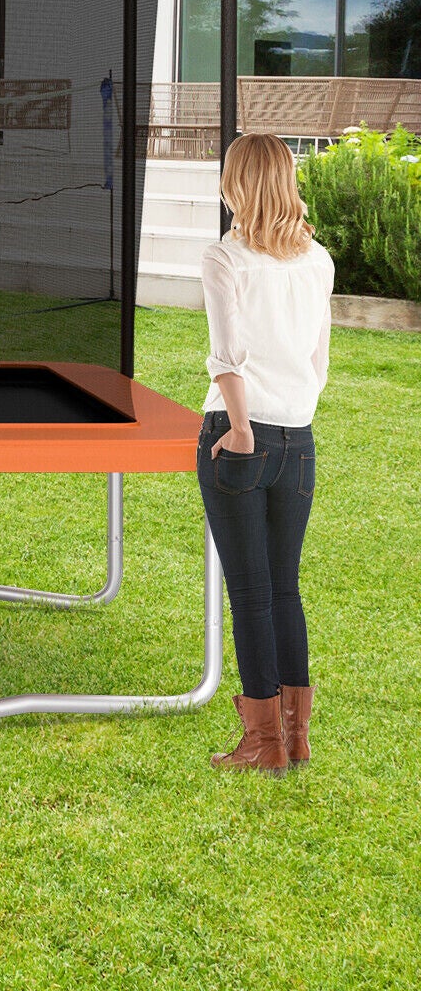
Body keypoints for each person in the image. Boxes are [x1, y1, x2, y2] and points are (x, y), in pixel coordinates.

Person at [197, 131, 334, 774]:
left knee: (251, 592)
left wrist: (244, 431)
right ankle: (294, 738)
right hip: (300, 437)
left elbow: (228, 359)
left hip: (239, 432)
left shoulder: (225, 258)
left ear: (238, 183)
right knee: (285, 590)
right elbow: (318, 362)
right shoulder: (318, 260)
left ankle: (262, 744)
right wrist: (290, 421)